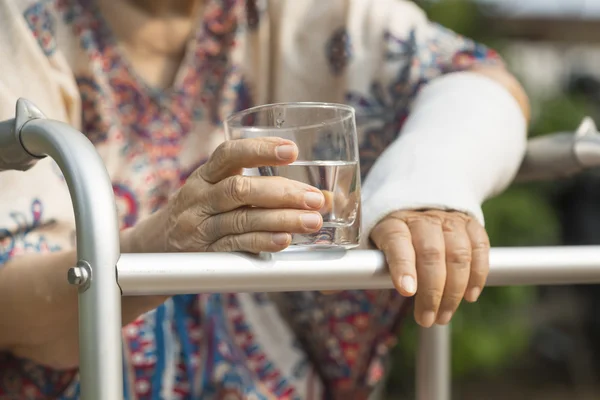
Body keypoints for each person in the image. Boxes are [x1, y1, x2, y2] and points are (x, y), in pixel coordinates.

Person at [0, 0, 529, 398]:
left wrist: (426, 183)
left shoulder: (307, 12)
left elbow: (479, 80)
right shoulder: (21, 22)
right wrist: (161, 245)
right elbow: (11, 301)